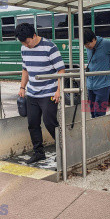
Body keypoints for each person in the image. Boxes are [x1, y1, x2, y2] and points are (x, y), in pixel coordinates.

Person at [16, 23, 66, 164]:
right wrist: (22, 87)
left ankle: (63, 150)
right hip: (32, 93)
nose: (26, 45)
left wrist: (58, 90)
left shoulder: (50, 47)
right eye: (23, 43)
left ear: (34, 35)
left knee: (50, 122)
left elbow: (61, 70)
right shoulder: (24, 48)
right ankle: (39, 153)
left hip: (49, 92)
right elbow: (25, 69)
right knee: (32, 123)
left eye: (27, 42)